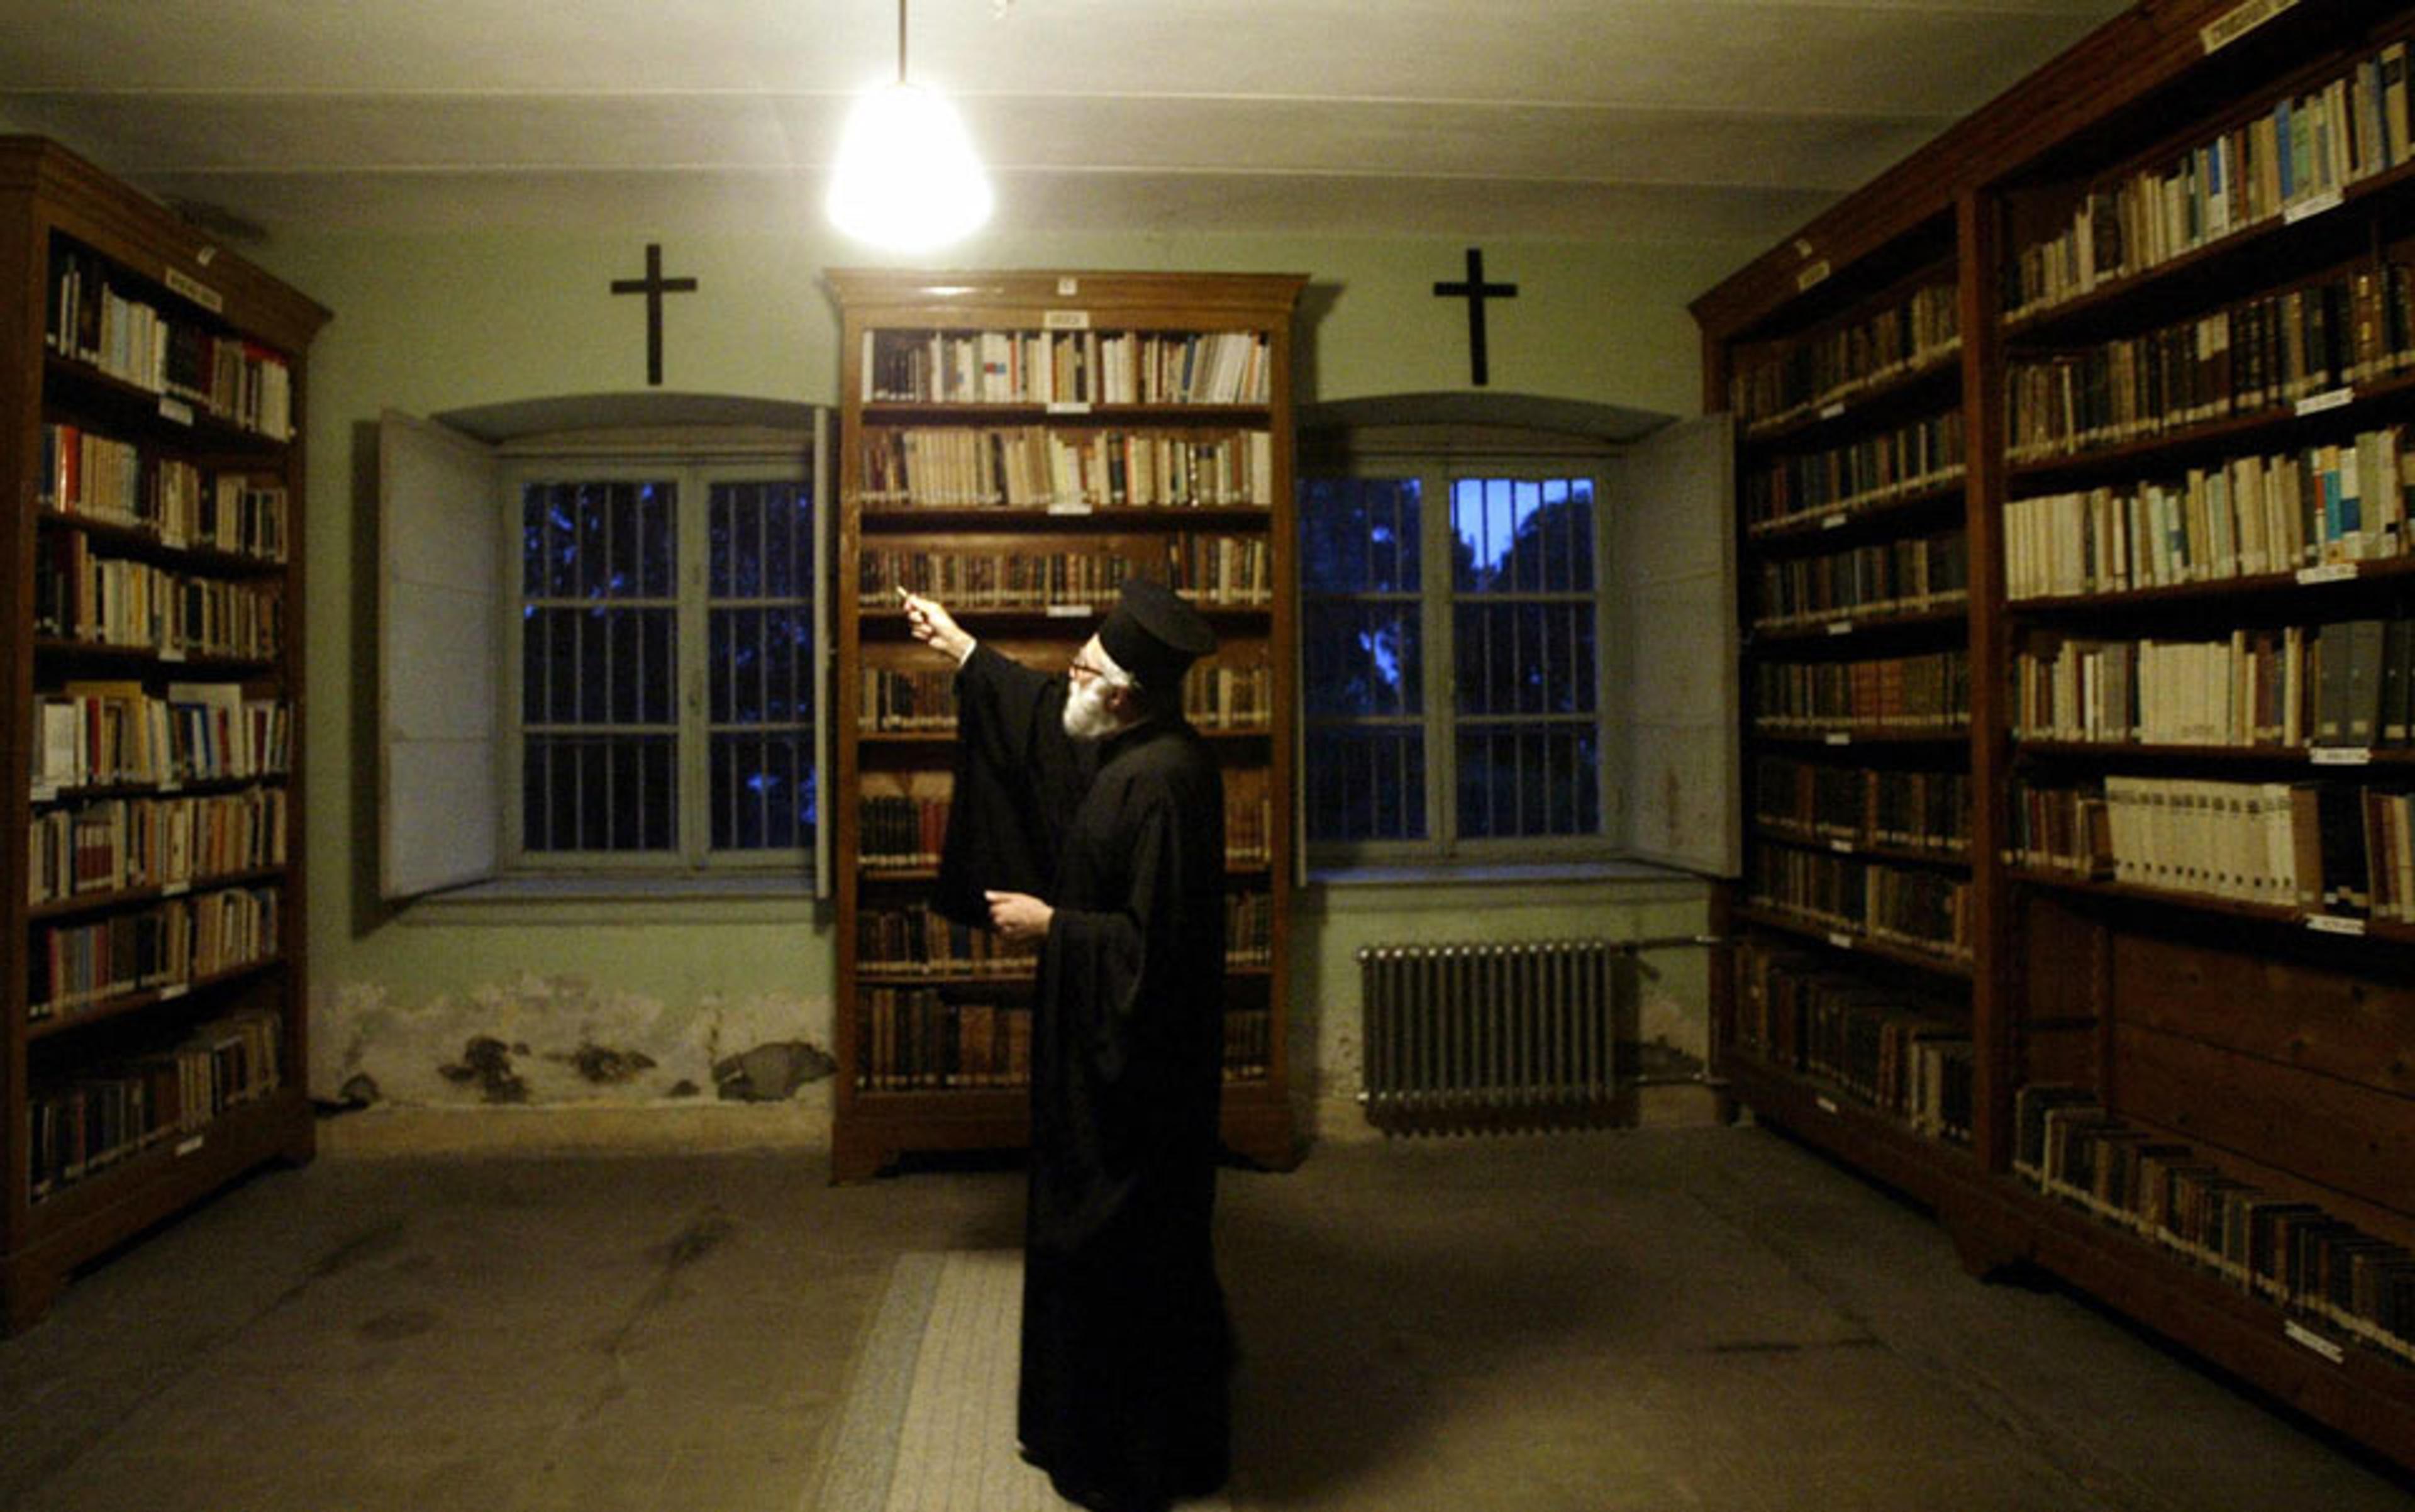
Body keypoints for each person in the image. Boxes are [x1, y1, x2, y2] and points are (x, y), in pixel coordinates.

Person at [901, 576, 1235, 1512]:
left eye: (1085, 666)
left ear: (1124, 694)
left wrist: (1056, 927)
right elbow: (1045, 717)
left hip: (1135, 1088)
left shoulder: (1163, 783)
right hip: (1094, 1058)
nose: (1068, 676)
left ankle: (1127, 1461)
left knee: (1121, 1256)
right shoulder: (1130, 746)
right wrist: (962, 648)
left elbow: (1155, 951)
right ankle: (1076, 1426)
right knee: (1089, 1247)